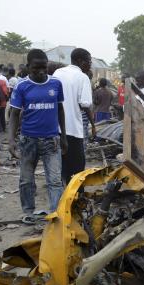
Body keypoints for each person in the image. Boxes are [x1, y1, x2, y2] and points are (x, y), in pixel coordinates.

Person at [8, 49, 67, 222]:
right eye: (36, 68)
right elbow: (14, 114)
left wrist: (63, 136)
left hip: (52, 140)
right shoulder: (21, 86)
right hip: (28, 141)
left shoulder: (56, 84)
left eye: (44, 67)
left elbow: (60, 110)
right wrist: (11, 140)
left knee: (55, 180)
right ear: (28, 67)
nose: (41, 72)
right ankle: (28, 212)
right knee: (26, 180)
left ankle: (56, 213)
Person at [53, 48, 95, 185]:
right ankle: (76, 197)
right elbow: (85, 104)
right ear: (79, 61)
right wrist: (93, 124)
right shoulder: (82, 77)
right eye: (89, 61)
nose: (90, 64)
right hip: (73, 129)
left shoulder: (58, 73)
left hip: (55, 128)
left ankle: (62, 194)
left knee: (61, 166)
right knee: (77, 167)